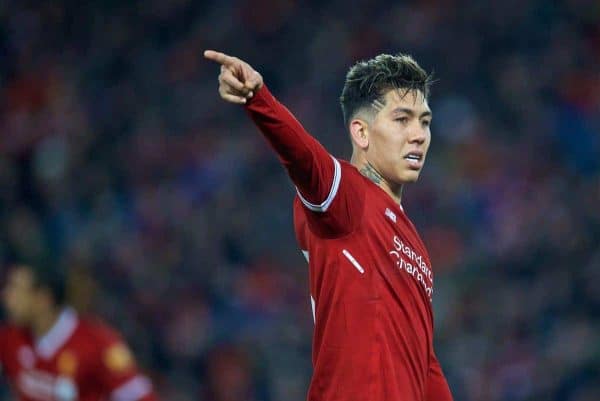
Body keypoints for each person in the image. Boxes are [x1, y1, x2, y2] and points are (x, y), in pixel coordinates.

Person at [204, 49, 454, 401]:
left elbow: (423, 361)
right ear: (361, 133)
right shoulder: (349, 198)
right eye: (402, 119)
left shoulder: (415, 245)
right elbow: (304, 159)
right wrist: (258, 100)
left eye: (424, 121)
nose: (418, 135)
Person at [0, 263, 158, 401]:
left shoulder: (98, 344)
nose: (6, 297)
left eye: (16, 290)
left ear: (43, 298)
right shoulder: (10, 339)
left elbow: (140, 396)